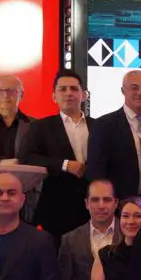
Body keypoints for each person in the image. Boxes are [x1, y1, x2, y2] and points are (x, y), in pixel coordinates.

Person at [20, 69, 91, 242]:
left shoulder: (100, 126)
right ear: (54, 96)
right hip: (56, 207)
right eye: (63, 89)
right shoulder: (40, 127)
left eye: (74, 89)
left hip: (94, 207)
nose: (69, 93)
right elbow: (26, 157)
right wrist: (65, 165)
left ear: (84, 95)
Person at [86, 70, 141, 199]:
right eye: (134, 88)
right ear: (123, 90)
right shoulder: (104, 125)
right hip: (119, 203)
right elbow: (96, 170)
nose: (140, 93)